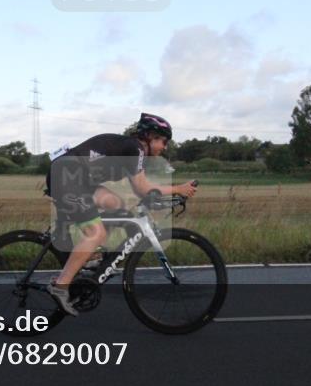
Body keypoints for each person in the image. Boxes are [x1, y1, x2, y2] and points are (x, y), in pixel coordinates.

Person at [43, 113, 197, 316]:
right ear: (150, 136)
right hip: (68, 177)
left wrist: (156, 198)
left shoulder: (131, 149)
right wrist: (178, 189)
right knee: (95, 232)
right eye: (163, 141)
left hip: (75, 177)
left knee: (116, 204)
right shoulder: (136, 148)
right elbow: (143, 188)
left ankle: (92, 254)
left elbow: (139, 190)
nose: (165, 147)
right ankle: (60, 286)